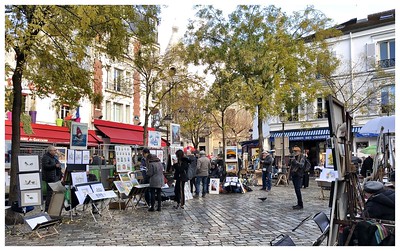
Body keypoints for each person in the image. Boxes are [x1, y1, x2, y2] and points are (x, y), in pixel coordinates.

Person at [42, 145, 62, 212]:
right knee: (50, 194)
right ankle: (47, 210)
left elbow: (58, 164)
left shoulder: (54, 157)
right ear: (50, 151)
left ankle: (53, 209)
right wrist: (55, 166)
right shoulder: (46, 157)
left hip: (55, 177)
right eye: (54, 150)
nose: (56, 151)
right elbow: (45, 166)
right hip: (50, 178)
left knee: (54, 194)